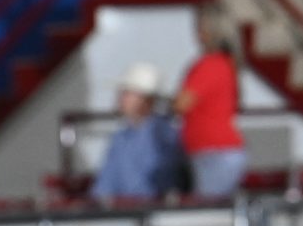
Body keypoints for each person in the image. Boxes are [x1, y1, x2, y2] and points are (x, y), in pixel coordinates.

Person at [175, 16, 247, 196]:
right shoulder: (224, 64)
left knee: (208, 209)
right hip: (216, 152)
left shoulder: (210, 65)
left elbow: (183, 103)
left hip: (214, 152)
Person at [90, 62, 180, 202]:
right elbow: (106, 181)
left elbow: (163, 180)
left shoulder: (164, 134)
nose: (120, 99)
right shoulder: (120, 138)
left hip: (150, 211)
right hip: (126, 213)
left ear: (145, 99)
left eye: (126, 93)